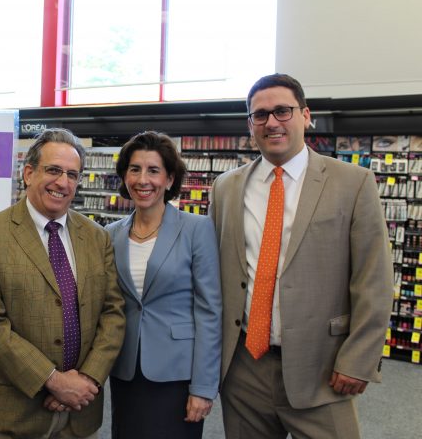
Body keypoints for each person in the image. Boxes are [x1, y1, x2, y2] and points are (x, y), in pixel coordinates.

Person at [209, 73, 393, 439]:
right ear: (250, 125)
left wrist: (359, 359)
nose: (272, 122)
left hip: (323, 366)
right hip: (245, 368)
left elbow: (374, 280)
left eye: (282, 111)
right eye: (260, 115)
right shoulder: (226, 188)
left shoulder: (353, 182)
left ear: (305, 115)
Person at [0, 128, 126, 439]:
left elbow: (113, 313)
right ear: (28, 173)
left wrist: (88, 380)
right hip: (9, 413)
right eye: (53, 170)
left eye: (72, 174)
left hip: (79, 413)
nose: (62, 182)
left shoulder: (96, 237)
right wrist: (54, 381)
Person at [105, 131, 221, 439]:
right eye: (135, 169)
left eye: (154, 170)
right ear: (125, 176)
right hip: (126, 370)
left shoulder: (196, 230)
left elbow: (210, 311)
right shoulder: (111, 234)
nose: (143, 179)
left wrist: (203, 387)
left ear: (169, 179)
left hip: (178, 375)